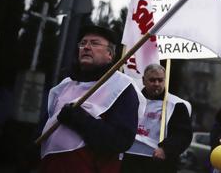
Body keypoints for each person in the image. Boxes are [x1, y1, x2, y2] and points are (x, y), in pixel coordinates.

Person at [39, 24, 145, 173]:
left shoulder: (122, 87)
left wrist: (80, 119)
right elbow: (46, 124)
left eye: (94, 43)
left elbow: (121, 141)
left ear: (110, 54)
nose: (86, 47)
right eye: (83, 43)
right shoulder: (65, 85)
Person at [121, 64, 192, 173]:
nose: (156, 84)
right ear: (144, 80)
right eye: (152, 80)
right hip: (129, 158)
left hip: (158, 161)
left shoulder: (176, 104)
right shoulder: (132, 99)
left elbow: (183, 135)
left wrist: (166, 149)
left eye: (160, 80)